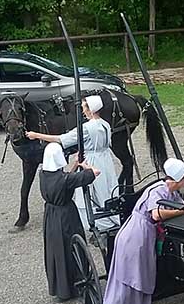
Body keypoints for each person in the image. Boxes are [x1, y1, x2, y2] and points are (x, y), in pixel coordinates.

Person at [88, 158, 184, 304]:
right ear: (179, 179)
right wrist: (181, 210)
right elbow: (156, 215)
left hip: (138, 238)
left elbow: (183, 206)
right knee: (125, 285)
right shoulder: (158, 191)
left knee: (135, 283)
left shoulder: (169, 191)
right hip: (136, 239)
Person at [26, 95, 119, 232]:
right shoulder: (105, 124)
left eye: (84, 108)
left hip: (92, 160)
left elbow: (61, 139)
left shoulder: (86, 128)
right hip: (105, 160)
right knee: (107, 187)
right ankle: (112, 216)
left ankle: (99, 224)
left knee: (92, 192)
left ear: (91, 110)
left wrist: (37, 135)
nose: (83, 112)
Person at [39, 142, 100, 300]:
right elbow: (95, 173)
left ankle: (61, 287)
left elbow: (66, 178)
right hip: (66, 216)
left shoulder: (43, 174)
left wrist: (74, 166)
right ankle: (75, 282)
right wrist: (86, 167)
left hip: (51, 215)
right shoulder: (64, 180)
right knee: (69, 248)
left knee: (56, 250)